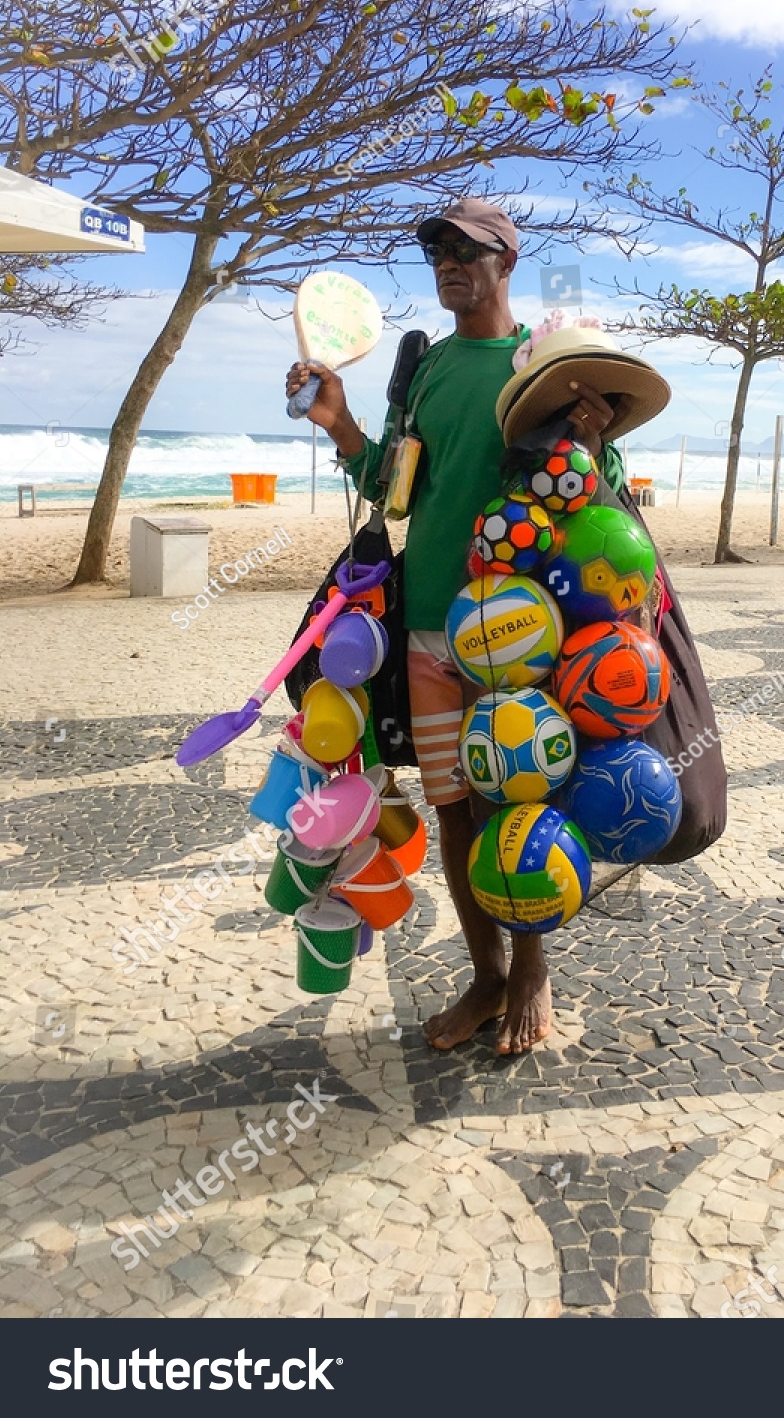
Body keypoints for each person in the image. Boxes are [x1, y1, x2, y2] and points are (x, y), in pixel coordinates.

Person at [286, 199, 627, 1055]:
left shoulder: (542, 363)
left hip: (520, 635)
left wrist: (598, 437)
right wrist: (340, 423)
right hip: (430, 629)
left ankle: (532, 969)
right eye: (436, 250)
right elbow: (393, 485)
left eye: (465, 250)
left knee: (517, 805)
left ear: (506, 261)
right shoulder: (428, 368)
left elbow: (600, 486)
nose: (446, 262)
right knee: (454, 813)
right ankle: (485, 976)